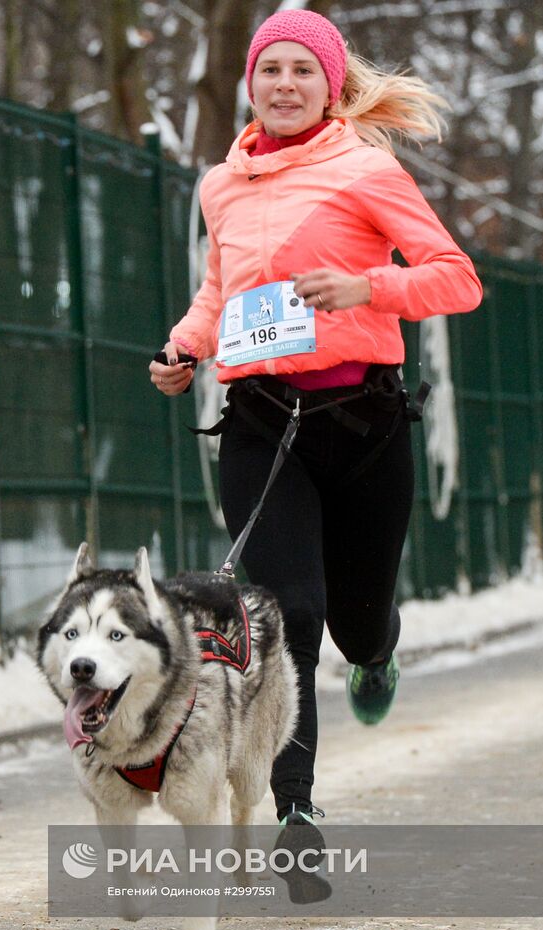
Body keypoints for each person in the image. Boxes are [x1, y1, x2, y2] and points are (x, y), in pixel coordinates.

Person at [149, 10, 482, 833]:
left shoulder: (366, 172)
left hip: (363, 421)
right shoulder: (219, 183)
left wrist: (370, 288)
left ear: (331, 88)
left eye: (304, 71)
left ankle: (375, 655)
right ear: (251, 84)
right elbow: (220, 291)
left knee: (355, 619)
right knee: (286, 608)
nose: (286, 85)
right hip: (263, 421)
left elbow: (457, 279)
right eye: (272, 71)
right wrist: (184, 349)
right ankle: (295, 806)